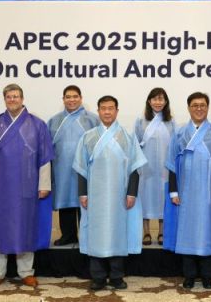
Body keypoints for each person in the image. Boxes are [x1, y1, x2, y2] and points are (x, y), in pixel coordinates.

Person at [0, 84, 54, 288]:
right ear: (5, 99)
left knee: (25, 226)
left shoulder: (37, 125)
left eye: (16, 96)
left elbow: (45, 158)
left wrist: (44, 184)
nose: (12, 100)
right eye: (9, 97)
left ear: (22, 98)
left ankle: (26, 272)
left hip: (27, 185)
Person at [74, 96, 147, 291]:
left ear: (117, 111)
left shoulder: (127, 137)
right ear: (98, 111)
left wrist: (132, 193)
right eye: (103, 108)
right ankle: (98, 277)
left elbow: (135, 167)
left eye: (111, 108)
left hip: (119, 197)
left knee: (117, 234)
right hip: (95, 196)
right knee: (96, 234)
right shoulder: (88, 137)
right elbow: (81, 168)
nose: (107, 112)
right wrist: (83, 193)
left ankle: (116, 276)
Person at [164, 92, 211, 290]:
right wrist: (174, 192)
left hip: (210, 193)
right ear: (189, 108)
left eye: (202, 105)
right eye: (195, 105)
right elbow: (171, 165)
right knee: (187, 232)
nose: (199, 108)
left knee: (208, 232)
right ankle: (189, 275)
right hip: (186, 193)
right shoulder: (179, 134)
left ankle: (207, 275)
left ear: (208, 107)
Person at [46, 85, 100, 246]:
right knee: (65, 201)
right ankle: (68, 235)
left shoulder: (92, 119)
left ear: (81, 98)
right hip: (61, 168)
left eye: (75, 96)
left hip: (85, 168)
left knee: (85, 200)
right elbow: (47, 146)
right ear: (63, 99)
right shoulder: (54, 121)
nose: (72, 100)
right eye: (68, 97)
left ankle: (87, 235)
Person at [133, 87, 175, 246]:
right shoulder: (140, 121)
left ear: (166, 102)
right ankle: (146, 232)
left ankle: (162, 232)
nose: (158, 102)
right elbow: (134, 144)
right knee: (145, 198)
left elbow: (175, 146)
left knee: (163, 199)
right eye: (155, 99)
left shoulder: (171, 122)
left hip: (165, 168)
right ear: (149, 101)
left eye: (161, 99)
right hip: (146, 168)